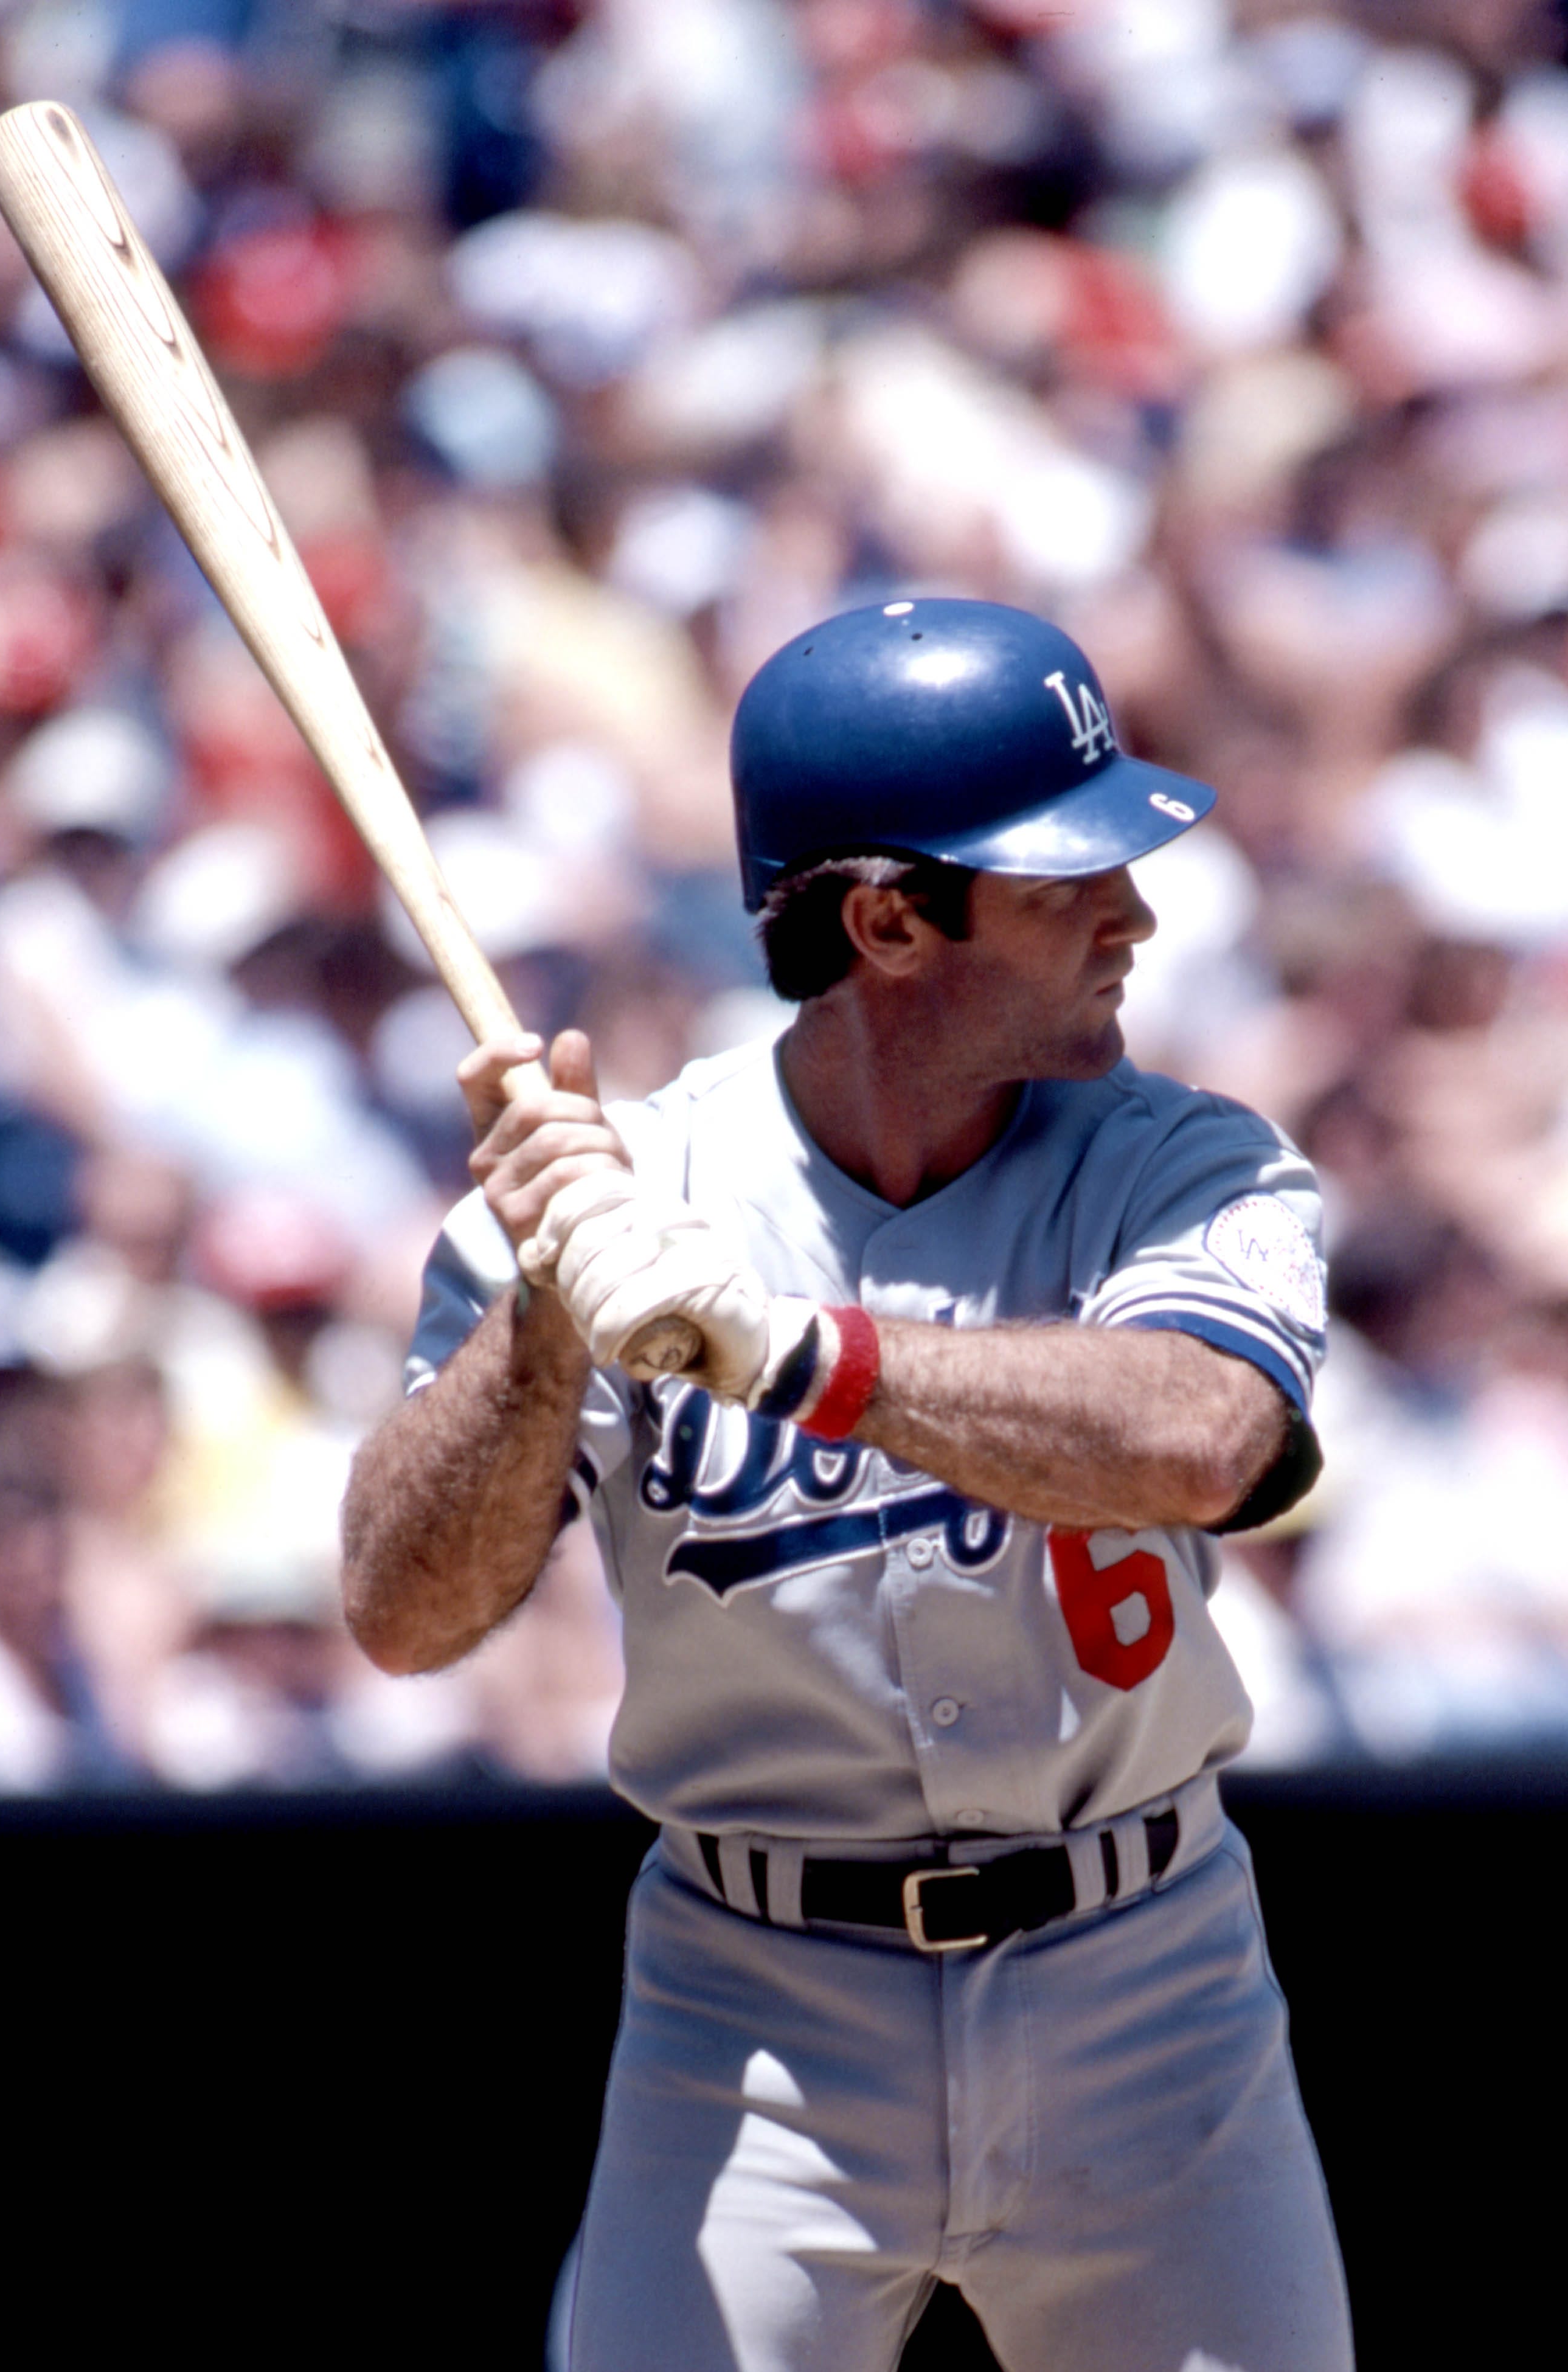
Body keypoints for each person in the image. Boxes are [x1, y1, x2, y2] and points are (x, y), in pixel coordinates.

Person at [341, 599, 1351, 2372]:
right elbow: (401, 1611)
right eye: (1065, 881)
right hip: (752, 1998)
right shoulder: (618, 1198)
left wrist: (794, 1350)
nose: (1134, 911)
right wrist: (543, 1324)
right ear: (886, 918)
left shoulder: (1189, 1159)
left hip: (1145, 1967)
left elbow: (1201, 1437)